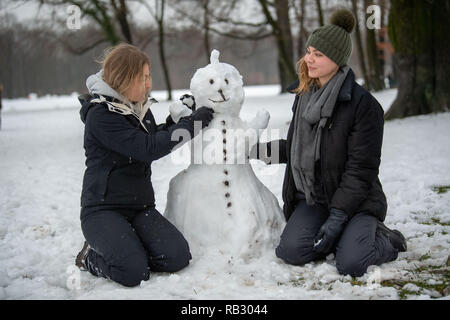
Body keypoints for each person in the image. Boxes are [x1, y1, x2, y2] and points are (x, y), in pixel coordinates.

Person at [252, 9, 406, 277]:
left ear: (337, 59)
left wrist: (338, 217)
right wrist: (261, 151)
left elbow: (361, 170)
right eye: (309, 51)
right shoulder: (304, 96)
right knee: (291, 251)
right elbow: (302, 148)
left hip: (355, 201)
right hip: (314, 198)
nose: (308, 59)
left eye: (318, 55)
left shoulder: (363, 106)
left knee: (352, 264)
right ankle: (346, 238)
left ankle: (385, 239)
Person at [75, 43, 214, 287]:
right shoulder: (102, 115)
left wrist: (176, 120)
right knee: (132, 272)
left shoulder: (138, 107)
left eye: (149, 77)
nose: (149, 84)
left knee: (177, 257)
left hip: (139, 208)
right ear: (124, 78)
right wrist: (192, 124)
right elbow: (147, 149)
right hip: (103, 211)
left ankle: (130, 248)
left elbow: (150, 137)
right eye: (144, 78)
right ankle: (90, 257)